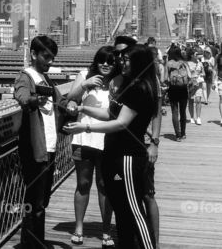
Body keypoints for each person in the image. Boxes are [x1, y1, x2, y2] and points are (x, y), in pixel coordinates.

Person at [64, 43, 162, 249]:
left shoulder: (139, 89)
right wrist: (83, 108)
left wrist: (85, 127)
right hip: (113, 153)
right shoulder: (127, 85)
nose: (121, 62)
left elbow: (121, 123)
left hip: (128, 156)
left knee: (133, 209)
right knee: (121, 208)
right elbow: (110, 114)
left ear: (138, 63)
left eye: (126, 59)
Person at [13, 35, 65, 249]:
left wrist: (73, 105)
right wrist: (34, 100)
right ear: (33, 55)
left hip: (48, 147)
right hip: (35, 148)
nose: (50, 61)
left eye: (52, 57)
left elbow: (61, 101)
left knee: (41, 201)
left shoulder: (46, 79)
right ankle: (31, 244)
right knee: (35, 201)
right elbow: (22, 96)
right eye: (46, 57)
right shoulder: (27, 76)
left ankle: (36, 243)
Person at [64, 46, 115, 247]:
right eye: (102, 60)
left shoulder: (117, 81)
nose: (106, 65)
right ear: (96, 61)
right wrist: (85, 84)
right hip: (83, 139)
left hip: (108, 141)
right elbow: (70, 100)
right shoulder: (85, 75)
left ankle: (106, 230)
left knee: (105, 186)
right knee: (83, 184)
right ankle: (78, 228)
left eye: (110, 62)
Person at [165, 44, 190, 141]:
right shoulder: (184, 63)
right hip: (183, 90)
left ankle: (177, 135)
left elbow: (164, 79)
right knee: (183, 112)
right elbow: (190, 76)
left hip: (173, 90)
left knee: (175, 112)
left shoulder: (168, 63)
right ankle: (183, 133)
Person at [185, 47, 206, 125]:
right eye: (196, 53)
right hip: (190, 84)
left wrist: (200, 75)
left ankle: (198, 118)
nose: (198, 55)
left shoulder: (200, 63)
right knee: (190, 100)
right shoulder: (187, 63)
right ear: (192, 55)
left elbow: (204, 73)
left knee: (198, 100)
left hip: (198, 84)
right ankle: (191, 117)